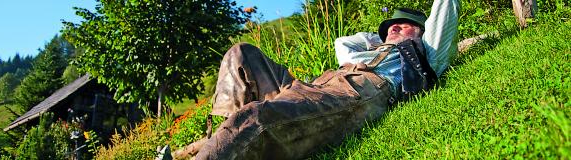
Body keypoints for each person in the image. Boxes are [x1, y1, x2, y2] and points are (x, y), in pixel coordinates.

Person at [183, 0, 460, 159]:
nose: (393, 29)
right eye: (391, 26)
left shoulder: (426, 53)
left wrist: (408, 39)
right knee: (241, 54)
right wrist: (383, 38)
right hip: (311, 86)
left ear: (423, 32)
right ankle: (218, 142)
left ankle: (212, 147)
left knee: (256, 117)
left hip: (350, 94)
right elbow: (342, 42)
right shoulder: (371, 47)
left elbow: (446, 9)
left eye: (403, 26)